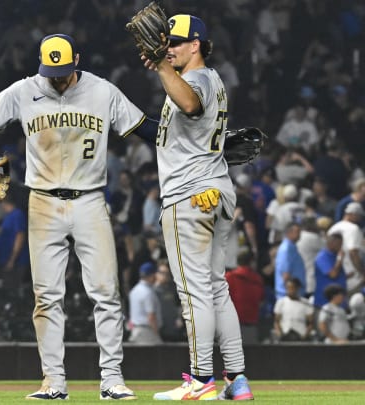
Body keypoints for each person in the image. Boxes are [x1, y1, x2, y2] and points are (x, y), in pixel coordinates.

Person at [0, 33, 150, 401]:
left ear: (77, 60)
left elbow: (144, 126)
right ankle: (53, 381)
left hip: (90, 200)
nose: (57, 77)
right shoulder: (26, 90)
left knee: (105, 292)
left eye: (63, 70)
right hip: (43, 202)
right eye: (51, 71)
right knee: (47, 296)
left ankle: (112, 378)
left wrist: (194, 135)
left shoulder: (103, 91)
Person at [136, 14, 253, 401]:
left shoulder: (198, 79)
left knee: (195, 293)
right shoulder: (203, 78)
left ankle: (201, 381)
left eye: (176, 42)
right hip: (214, 189)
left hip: (189, 195)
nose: (169, 47)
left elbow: (188, 103)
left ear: (196, 44)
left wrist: (165, 68)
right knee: (217, 289)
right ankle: (236, 380)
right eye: (166, 42)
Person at [225, 251, 265, 344]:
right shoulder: (257, 279)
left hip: (231, 325)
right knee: (250, 355)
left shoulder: (229, 277)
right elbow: (261, 301)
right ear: (251, 262)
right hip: (251, 324)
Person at [327, 202, 365, 295]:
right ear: (352, 214)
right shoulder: (353, 228)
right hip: (353, 275)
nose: (360, 218)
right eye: (359, 215)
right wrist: (362, 272)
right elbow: (353, 252)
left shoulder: (333, 228)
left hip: (338, 274)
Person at [128, 262, 162, 344]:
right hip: (147, 332)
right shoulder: (148, 292)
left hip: (135, 330)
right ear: (151, 276)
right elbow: (151, 317)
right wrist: (156, 334)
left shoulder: (134, 290)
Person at [313, 233, 347, 308]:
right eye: (339, 244)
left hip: (338, 300)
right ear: (331, 243)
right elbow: (333, 274)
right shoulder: (322, 257)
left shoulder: (334, 255)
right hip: (325, 301)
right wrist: (339, 259)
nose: (340, 247)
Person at [274, 222, 307, 300]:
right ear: (289, 232)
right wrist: (291, 293)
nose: (300, 234)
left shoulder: (292, 247)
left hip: (295, 294)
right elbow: (285, 274)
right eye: (297, 232)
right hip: (288, 296)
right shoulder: (286, 249)